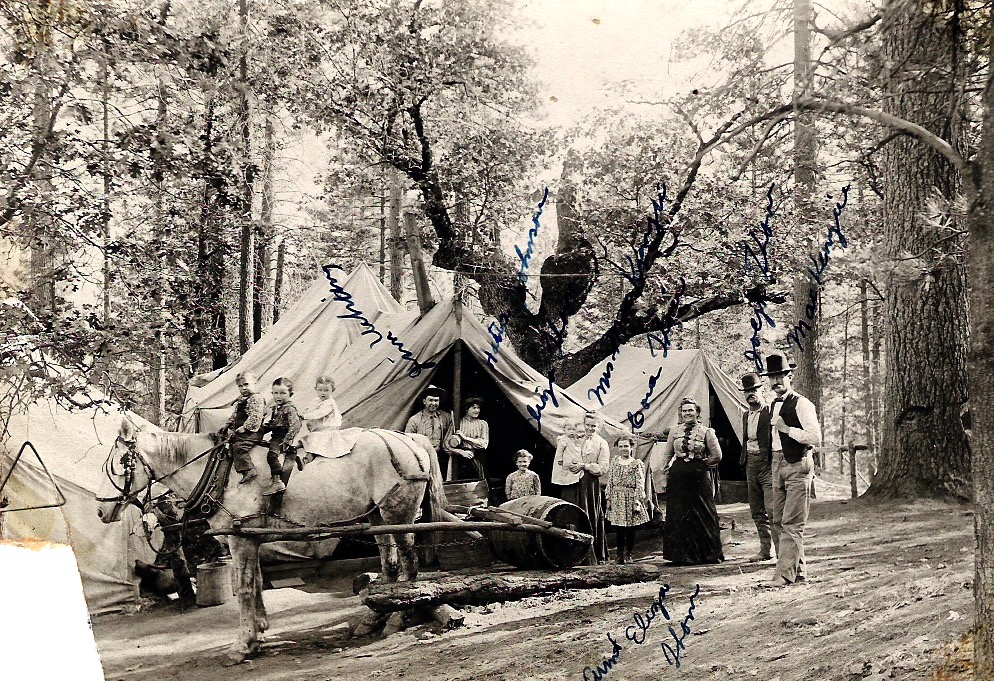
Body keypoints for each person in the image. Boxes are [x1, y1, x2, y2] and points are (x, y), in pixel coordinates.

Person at [762, 351, 822, 587]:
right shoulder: (773, 404)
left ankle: (783, 576)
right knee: (777, 520)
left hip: (798, 465)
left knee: (791, 523)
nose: (776, 381)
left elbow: (815, 437)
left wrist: (787, 429)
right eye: (772, 377)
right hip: (777, 464)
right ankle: (798, 572)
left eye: (780, 376)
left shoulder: (802, 403)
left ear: (790, 376)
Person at [661, 397, 724, 565]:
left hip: (698, 475)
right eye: (684, 411)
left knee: (704, 511)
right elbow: (667, 455)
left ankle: (708, 554)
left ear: (697, 412)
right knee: (679, 512)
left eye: (690, 410)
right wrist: (664, 473)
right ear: (680, 414)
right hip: (678, 475)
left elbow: (717, 455)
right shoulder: (674, 432)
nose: (687, 413)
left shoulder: (707, 431)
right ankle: (681, 556)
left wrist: (703, 465)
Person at [563, 412, 610, 564]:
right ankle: (571, 554)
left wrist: (585, 465)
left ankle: (590, 555)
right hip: (572, 481)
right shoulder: (575, 438)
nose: (590, 428)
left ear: (598, 427)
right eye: (587, 425)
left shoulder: (601, 443)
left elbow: (602, 468)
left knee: (589, 515)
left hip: (589, 483)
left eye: (593, 426)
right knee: (571, 514)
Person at [739, 371, 776, 562]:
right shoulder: (745, 415)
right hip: (750, 465)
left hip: (767, 465)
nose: (750, 394)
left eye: (754, 389)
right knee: (756, 510)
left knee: (772, 509)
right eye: (747, 391)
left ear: (761, 390)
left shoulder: (770, 411)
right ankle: (765, 549)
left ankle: (781, 551)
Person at [606, 435, 650, 565]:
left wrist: (637, 500)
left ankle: (629, 554)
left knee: (630, 528)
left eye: (626, 446)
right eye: (621, 446)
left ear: (631, 447)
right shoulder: (614, 462)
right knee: (619, 528)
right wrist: (608, 498)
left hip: (630, 497)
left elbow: (640, 483)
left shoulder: (636, 464)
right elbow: (610, 481)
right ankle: (619, 556)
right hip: (617, 498)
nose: (623, 449)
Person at [219, 371, 266, 485]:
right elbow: (235, 415)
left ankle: (249, 469)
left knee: (240, 446)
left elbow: (256, 416)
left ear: (255, 382)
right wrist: (227, 425)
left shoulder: (256, 398)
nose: (243, 388)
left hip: (253, 431)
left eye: (246, 384)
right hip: (242, 431)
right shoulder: (242, 399)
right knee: (228, 441)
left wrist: (245, 428)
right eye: (240, 386)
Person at [260, 377, 302, 496]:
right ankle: (295, 457)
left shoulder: (290, 409)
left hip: (282, 436)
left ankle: (277, 481)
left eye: (283, 393)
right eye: (276, 393)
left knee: (271, 455)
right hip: (275, 435)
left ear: (290, 394)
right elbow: (272, 424)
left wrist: (287, 440)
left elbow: (296, 425)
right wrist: (261, 430)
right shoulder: (277, 408)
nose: (279, 396)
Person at [404, 385, 455, 479]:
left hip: (441, 459)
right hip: (422, 459)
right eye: (430, 400)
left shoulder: (446, 417)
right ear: (424, 401)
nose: (433, 403)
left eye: (436, 400)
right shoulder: (415, 420)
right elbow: (407, 441)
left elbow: (451, 435)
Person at [296, 374, 345, 468]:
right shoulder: (317, 400)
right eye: (320, 390)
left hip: (327, 430)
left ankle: (305, 460)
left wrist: (305, 416)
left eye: (326, 390)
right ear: (316, 390)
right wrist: (302, 413)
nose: (323, 393)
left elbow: (318, 414)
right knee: (308, 438)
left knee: (316, 443)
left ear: (332, 390)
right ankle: (294, 448)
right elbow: (308, 408)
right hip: (318, 429)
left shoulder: (329, 404)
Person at [446, 396, 490, 481]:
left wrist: (465, 438)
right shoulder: (457, 423)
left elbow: (484, 444)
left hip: (477, 459)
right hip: (460, 460)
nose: (477, 410)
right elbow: (446, 444)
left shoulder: (483, 424)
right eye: (474, 408)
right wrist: (461, 452)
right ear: (466, 409)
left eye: (478, 408)